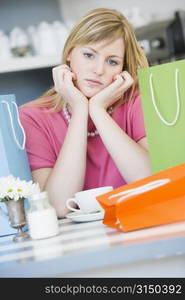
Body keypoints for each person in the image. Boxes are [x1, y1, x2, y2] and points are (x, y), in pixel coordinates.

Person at [19, 8, 151, 218]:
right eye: (89, 55)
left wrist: (98, 110)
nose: (99, 70)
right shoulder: (33, 117)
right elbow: (57, 206)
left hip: (138, 225)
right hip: (72, 242)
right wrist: (80, 110)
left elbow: (150, 183)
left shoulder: (136, 101)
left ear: (123, 69)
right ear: (70, 53)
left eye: (112, 61)